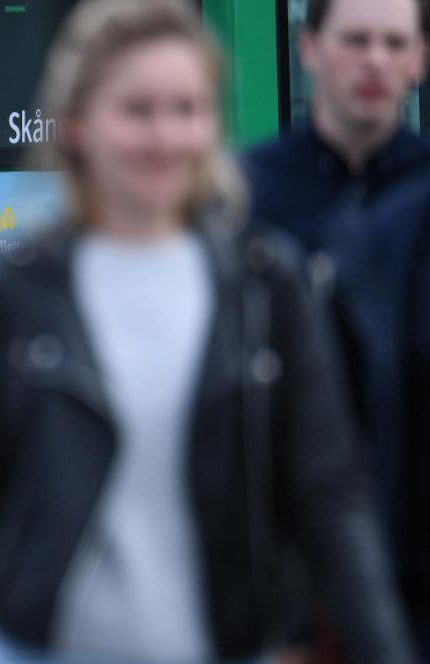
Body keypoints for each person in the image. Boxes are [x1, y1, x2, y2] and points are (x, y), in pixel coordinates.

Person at [0, 1, 414, 662]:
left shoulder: (264, 287)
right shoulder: (13, 296)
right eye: (138, 111)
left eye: (187, 110)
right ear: (78, 124)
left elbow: (328, 498)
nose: (165, 137)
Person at [243, 0, 430, 654]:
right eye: (356, 40)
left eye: (392, 41)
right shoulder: (251, 196)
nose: (374, 60)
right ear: (312, 48)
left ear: (418, 58)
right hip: (287, 585)